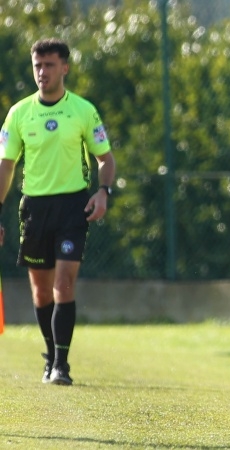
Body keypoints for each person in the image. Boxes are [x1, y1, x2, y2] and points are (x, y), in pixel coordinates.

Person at [0, 38, 115, 386]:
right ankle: (51, 354)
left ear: (64, 67)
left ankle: (61, 365)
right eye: (37, 65)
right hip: (34, 209)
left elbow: (105, 158)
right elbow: (5, 166)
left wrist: (103, 192)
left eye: (49, 65)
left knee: (64, 283)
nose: (42, 72)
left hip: (71, 207)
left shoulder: (82, 110)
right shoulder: (20, 113)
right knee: (41, 291)